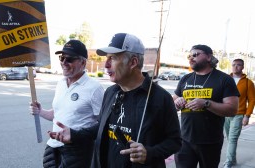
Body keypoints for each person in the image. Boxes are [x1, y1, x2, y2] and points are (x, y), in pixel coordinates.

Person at [48, 33, 182, 168]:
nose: (106, 64)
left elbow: (175, 141)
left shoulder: (160, 98)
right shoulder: (111, 92)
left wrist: (150, 153)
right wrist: (74, 135)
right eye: (107, 58)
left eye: (113, 58)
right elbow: (101, 127)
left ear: (133, 62)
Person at [29, 40, 104, 168]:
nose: (64, 62)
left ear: (83, 62)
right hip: (53, 146)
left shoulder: (94, 88)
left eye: (69, 59)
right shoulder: (61, 83)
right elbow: (58, 114)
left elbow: (102, 124)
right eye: (62, 58)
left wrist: (77, 135)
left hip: (78, 150)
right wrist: (40, 112)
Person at [173, 44, 240, 168]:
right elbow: (173, 103)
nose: (191, 58)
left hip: (210, 142)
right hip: (185, 140)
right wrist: (177, 103)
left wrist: (206, 103)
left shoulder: (224, 79)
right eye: (189, 56)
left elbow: (232, 109)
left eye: (195, 54)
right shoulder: (185, 79)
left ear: (209, 57)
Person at [223, 58, 255, 168]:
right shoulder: (225, 79)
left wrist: (247, 116)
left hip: (238, 114)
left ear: (243, 67)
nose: (236, 66)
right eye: (234, 64)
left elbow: (252, 100)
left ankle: (228, 162)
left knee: (232, 139)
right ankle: (232, 159)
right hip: (225, 113)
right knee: (229, 138)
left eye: (239, 65)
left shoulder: (248, 83)